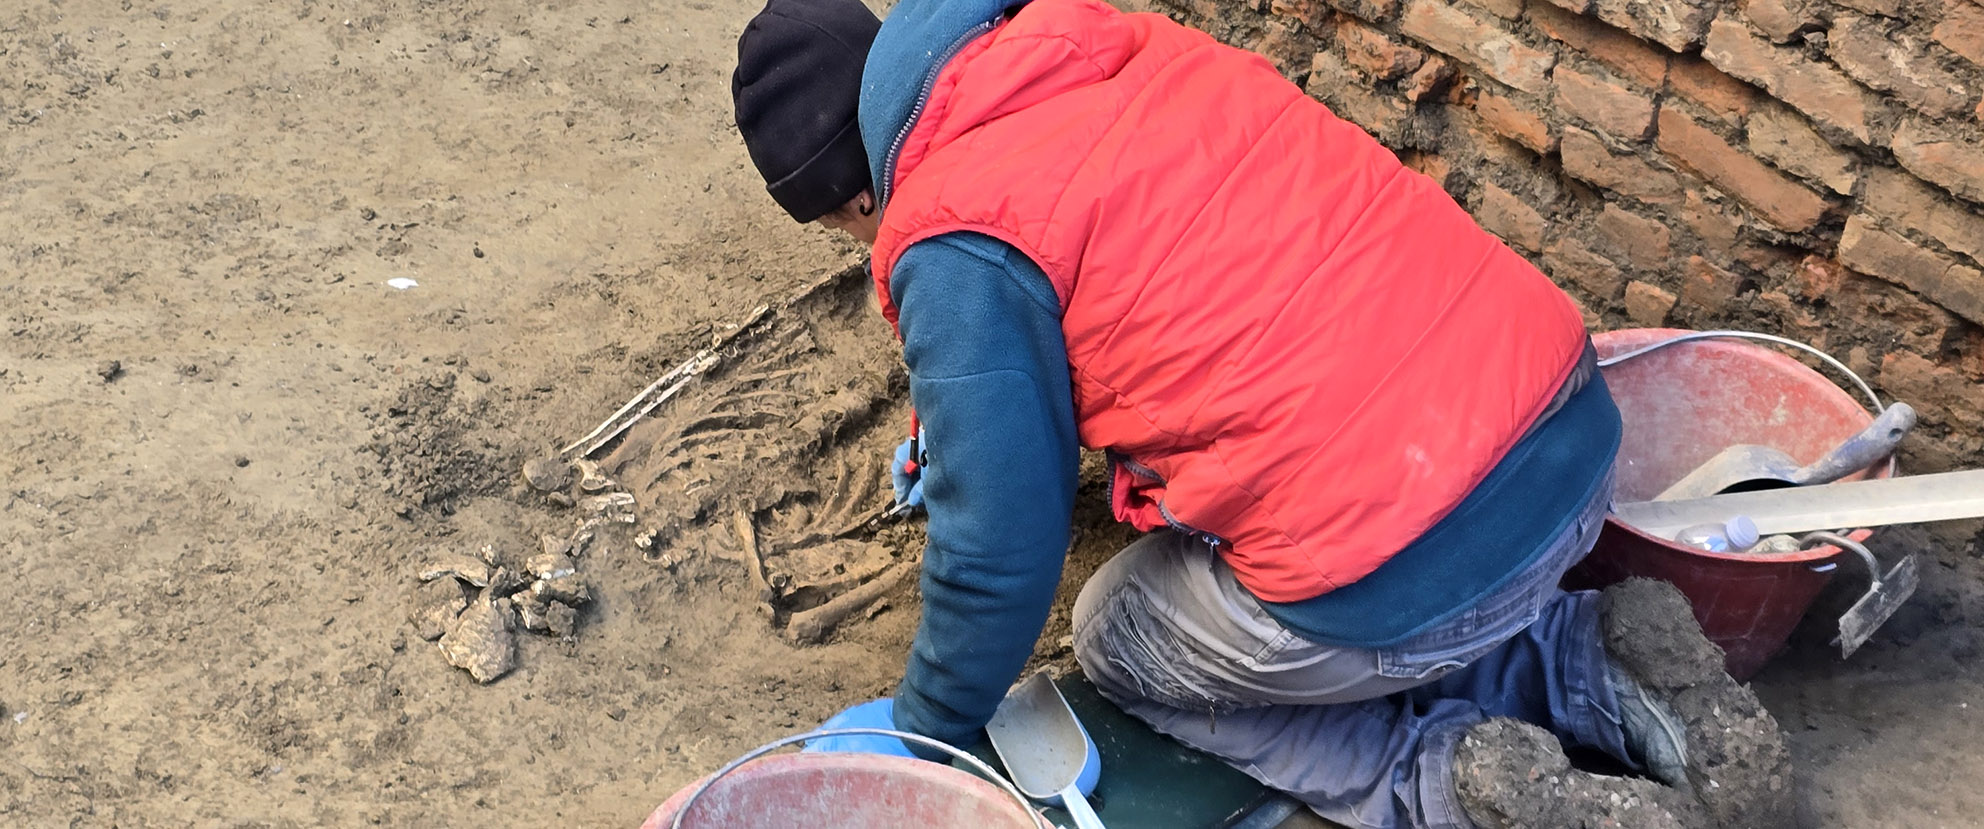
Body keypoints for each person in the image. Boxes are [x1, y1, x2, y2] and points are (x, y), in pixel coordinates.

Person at [728, 0, 1783, 825]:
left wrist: (930, 723)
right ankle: (1584, 654)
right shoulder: (1112, 51)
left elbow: (1000, 547)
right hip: (1566, 434)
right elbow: (1168, 285)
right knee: (1390, 522)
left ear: (849, 198)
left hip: (1409, 558)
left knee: (1117, 634)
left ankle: (1441, 781)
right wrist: (955, 411)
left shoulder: (946, 239)